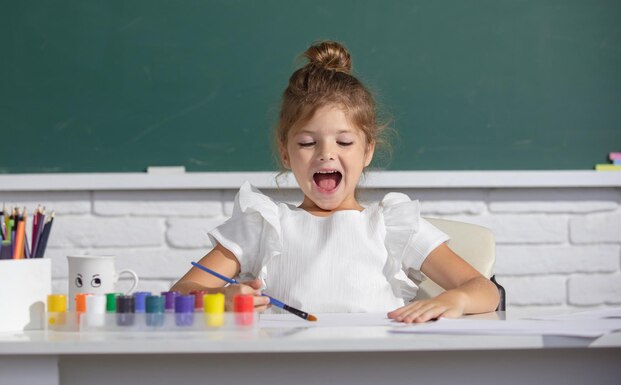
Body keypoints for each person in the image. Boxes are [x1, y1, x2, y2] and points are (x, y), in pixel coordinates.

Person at [171, 41, 499, 323]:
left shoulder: (393, 224)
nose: (326, 155)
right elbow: (179, 293)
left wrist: (453, 300)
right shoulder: (264, 224)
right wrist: (221, 298)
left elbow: (483, 290)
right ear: (285, 154)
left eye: (344, 142)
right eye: (307, 143)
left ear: (368, 150)